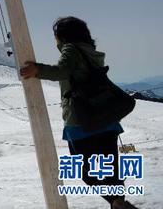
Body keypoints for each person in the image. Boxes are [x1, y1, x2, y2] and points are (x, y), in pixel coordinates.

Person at [20, 16, 137, 209]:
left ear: (62, 35)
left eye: (55, 34)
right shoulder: (91, 51)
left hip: (82, 119)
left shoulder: (71, 49)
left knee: (85, 172)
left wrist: (37, 70)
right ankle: (119, 202)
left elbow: (63, 71)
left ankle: (117, 203)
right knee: (111, 170)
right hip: (106, 118)